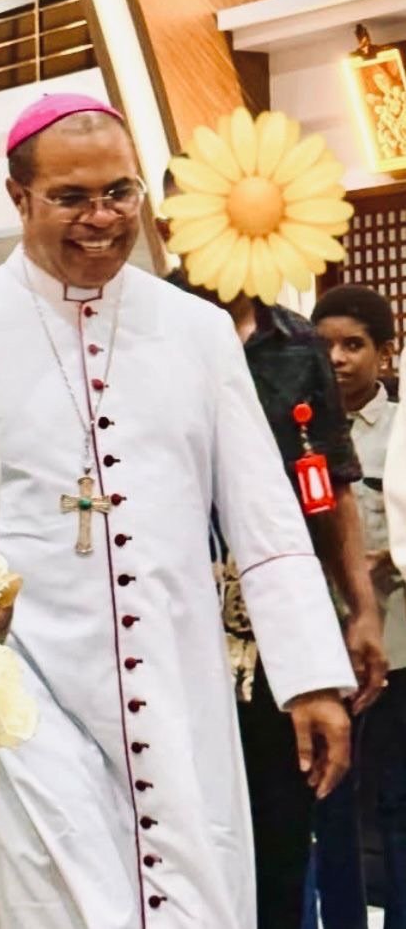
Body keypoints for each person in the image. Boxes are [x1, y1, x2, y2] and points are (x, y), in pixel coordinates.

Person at [0, 92, 358, 929]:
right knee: (53, 902)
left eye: (118, 192)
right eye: (71, 197)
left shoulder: (196, 332)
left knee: (193, 886)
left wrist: (309, 678)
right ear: (17, 197)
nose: (102, 218)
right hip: (25, 689)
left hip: (174, 674)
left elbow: (263, 514)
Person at [159, 171, 386, 929]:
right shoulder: (144, 333)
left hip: (277, 628)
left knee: (284, 824)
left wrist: (358, 609)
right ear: (173, 226)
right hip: (171, 623)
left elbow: (333, 485)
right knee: (184, 828)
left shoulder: (299, 346)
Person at [312, 285, 406, 929]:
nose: (338, 359)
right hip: (318, 652)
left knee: (397, 801)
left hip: (397, 645)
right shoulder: (294, 427)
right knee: (329, 805)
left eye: (353, 345)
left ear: (385, 352)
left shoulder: (402, 430)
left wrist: (390, 556)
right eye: (325, 346)